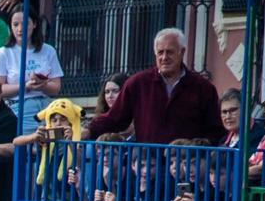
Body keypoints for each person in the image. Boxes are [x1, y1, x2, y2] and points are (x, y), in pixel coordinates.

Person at [86, 27, 222, 143]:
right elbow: (114, 118)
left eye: (169, 52)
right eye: (160, 52)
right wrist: (89, 130)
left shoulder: (203, 88)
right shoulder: (137, 84)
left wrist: (200, 149)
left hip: (186, 164)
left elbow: (215, 129)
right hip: (147, 163)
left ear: (182, 52)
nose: (164, 57)